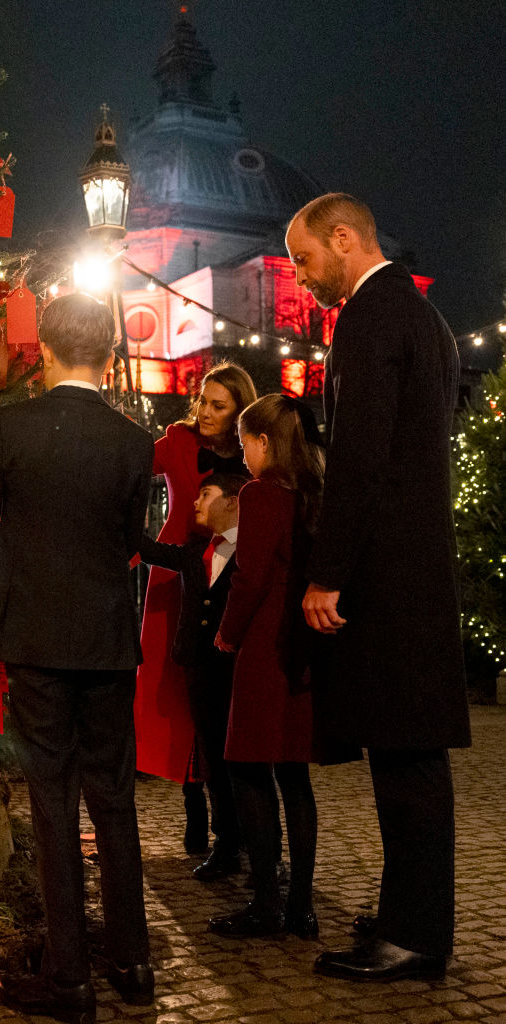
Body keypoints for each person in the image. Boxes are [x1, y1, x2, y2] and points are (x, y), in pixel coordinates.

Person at [285, 193, 471, 981]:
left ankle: (416, 936)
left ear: (342, 238)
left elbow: (359, 458)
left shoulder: (366, 319)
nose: (301, 280)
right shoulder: (422, 317)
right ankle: (407, 916)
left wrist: (327, 573)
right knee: (406, 757)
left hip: (388, 577)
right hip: (418, 564)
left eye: (303, 260)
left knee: (405, 760)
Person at [0, 293, 155, 1023]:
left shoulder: (13, 427)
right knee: (113, 798)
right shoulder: (133, 441)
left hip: (37, 636)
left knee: (52, 802)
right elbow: (130, 539)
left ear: (42, 352)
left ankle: (70, 975)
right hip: (105, 639)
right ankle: (132, 961)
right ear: (107, 354)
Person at [210, 394, 324, 940]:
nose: (243, 456)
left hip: (263, 645)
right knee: (294, 776)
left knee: (248, 768)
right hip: (302, 645)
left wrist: (228, 634)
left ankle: (264, 901)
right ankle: (301, 906)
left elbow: (249, 575)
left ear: (262, 442)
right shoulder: (311, 491)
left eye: (244, 443)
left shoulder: (260, 493)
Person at [134, 362, 258, 854]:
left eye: (217, 405)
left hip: (231, 579)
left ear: (238, 412)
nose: (204, 411)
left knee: (221, 699)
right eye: (202, 400)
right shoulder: (178, 441)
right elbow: (129, 466)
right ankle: (193, 809)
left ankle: (233, 818)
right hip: (176, 575)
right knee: (177, 692)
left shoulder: (253, 451)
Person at [137, 472, 248, 882]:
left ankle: (256, 841)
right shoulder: (194, 551)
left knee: (244, 760)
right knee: (212, 756)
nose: (197, 502)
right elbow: (149, 550)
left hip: (235, 669)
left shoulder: (250, 550)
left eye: (206, 493)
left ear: (234, 501)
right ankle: (226, 842)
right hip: (199, 668)